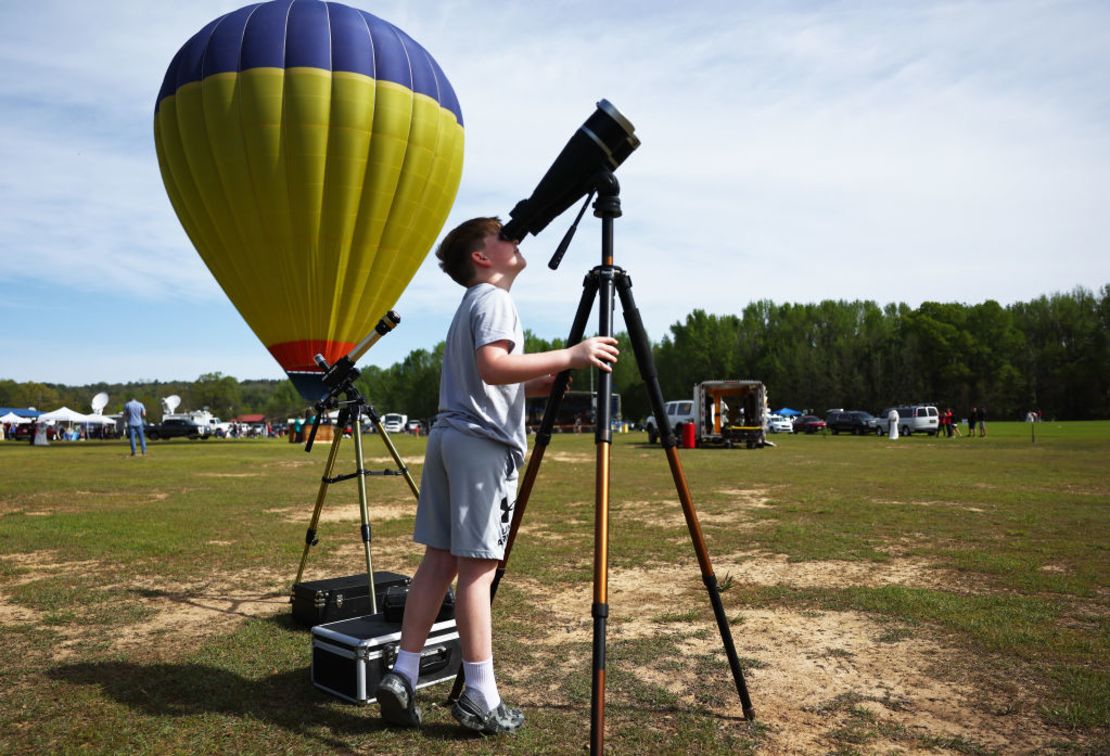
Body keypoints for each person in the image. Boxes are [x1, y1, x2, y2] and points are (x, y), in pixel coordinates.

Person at [375, 217, 619, 735]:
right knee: (478, 569)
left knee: (437, 563)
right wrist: (573, 354)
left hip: (448, 437)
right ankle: (481, 698)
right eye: (503, 236)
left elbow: (490, 378)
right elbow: (492, 366)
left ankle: (404, 672)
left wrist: (538, 379)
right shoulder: (494, 299)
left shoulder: (468, 306)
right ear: (482, 257)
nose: (516, 239)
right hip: (481, 447)